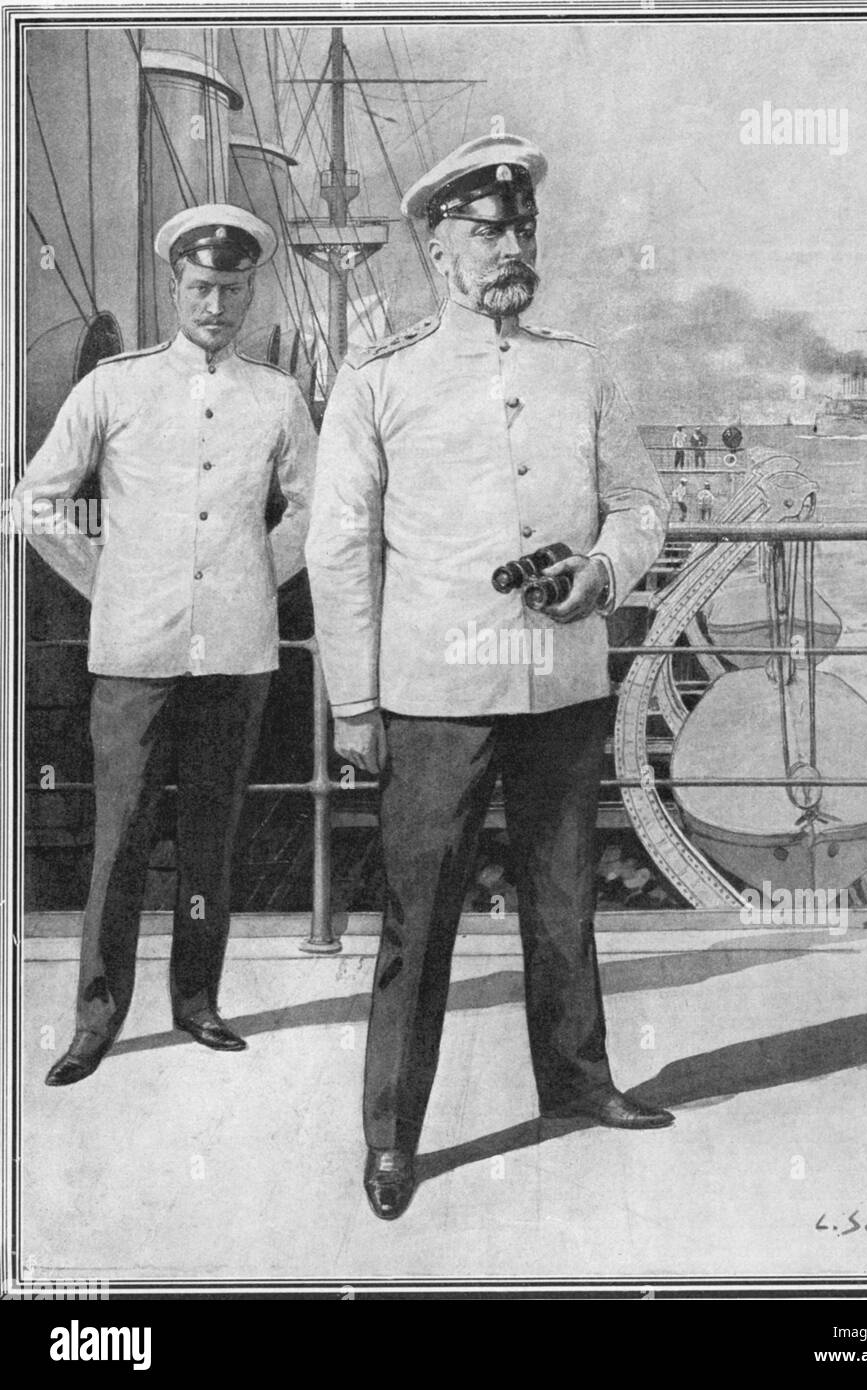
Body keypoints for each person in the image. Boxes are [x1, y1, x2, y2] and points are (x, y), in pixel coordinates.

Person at [306, 133, 674, 1223]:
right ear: (436, 246)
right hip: (434, 702)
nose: (512, 246)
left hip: (557, 685)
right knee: (418, 924)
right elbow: (338, 547)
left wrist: (602, 573)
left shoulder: (581, 367)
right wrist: (358, 704)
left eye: (523, 227)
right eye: (487, 229)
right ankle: (391, 1140)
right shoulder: (381, 380)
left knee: (563, 903)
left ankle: (578, 1082)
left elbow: (641, 503)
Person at [14, 204, 317, 1086]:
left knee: (210, 835)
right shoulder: (116, 385)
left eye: (230, 289)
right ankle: (97, 1019)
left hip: (235, 649)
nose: (215, 304)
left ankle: (198, 1003)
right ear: (173, 288)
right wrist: (103, 580)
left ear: (249, 290)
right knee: (120, 837)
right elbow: (34, 502)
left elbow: (315, 503)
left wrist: (260, 570)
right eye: (199, 287)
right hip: (135, 651)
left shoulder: (277, 396)